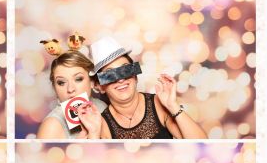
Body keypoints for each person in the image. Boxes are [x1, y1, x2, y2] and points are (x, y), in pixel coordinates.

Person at [75, 37, 208, 140]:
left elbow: (201, 143)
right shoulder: (101, 123)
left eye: (125, 70)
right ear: (99, 86)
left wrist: (173, 106)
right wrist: (93, 133)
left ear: (135, 76)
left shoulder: (159, 105)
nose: (120, 79)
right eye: (109, 74)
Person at [36, 50, 106, 139]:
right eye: (61, 82)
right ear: (54, 88)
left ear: (91, 82)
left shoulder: (103, 107)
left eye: (78, 79)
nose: (70, 89)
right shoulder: (51, 126)